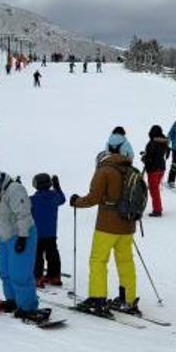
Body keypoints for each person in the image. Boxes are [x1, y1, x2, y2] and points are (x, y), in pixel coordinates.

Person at [70, 134, 140, 316]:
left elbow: (93, 197)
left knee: (98, 260)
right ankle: (128, 299)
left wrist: (77, 201)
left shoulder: (105, 170)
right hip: (128, 225)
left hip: (107, 225)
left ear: (109, 148)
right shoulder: (132, 170)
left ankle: (98, 298)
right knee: (126, 261)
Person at [0, 167, 49, 323]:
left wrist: (23, 238)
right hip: (6, 236)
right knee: (5, 272)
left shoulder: (15, 190)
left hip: (21, 235)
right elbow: (0, 212)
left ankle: (28, 307)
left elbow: (24, 214)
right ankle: (13, 300)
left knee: (20, 274)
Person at [31, 173, 65, 287]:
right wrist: (57, 187)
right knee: (52, 254)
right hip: (51, 234)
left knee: (37, 256)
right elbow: (62, 198)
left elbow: (22, 204)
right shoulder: (54, 196)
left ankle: (37, 278)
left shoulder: (34, 199)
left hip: (37, 234)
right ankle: (54, 276)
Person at [142, 125, 170, 217]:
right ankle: (158, 208)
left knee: (154, 191)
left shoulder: (151, 143)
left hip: (153, 169)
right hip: (161, 168)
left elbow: (150, 157)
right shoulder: (164, 142)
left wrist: (144, 158)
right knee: (155, 190)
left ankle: (157, 210)